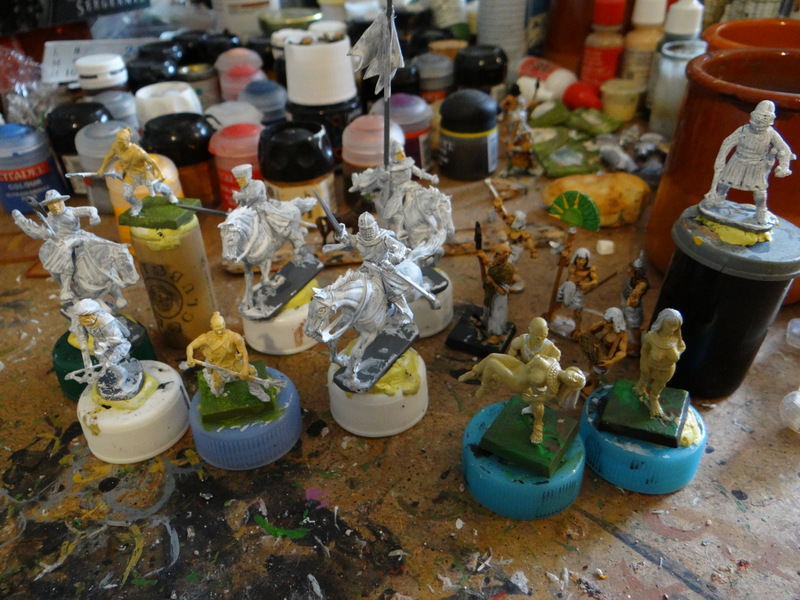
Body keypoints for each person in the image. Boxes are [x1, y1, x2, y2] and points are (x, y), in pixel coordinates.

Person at [458, 352, 585, 444]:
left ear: (568, 386)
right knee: (492, 356)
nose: (572, 379)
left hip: (517, 381)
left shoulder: (553, 387)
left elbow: (540, 399)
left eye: (574, 382)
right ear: (574, 370)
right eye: (576, 376)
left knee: (492, 363)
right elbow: (536, 358)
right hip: (519, 366)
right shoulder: (554, 362)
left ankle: (483, 387)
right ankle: (474, 372)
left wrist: (529, 399)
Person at [703, 100, 795, 225]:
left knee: (760, 192)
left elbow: (784, 149)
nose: (759, 124)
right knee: (724, 183)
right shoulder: (743, 130)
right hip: (738, 161)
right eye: (757, 119)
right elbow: (727, 143)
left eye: (764, 120)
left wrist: (784, 166)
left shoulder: (771, 134)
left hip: (757, 166)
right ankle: (718, 197)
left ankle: (761, 211)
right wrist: (720, 159)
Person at [12, 190, 101, 303]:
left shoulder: (72, 211)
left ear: (62, 201)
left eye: (57, 202)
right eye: (51, 204)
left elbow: (90, 209)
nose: (55, 206)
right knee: (66, 255)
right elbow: (45, 232)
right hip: (63, 241)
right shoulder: (49, 217)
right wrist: (47, 233)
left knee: (100, 244)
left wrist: (94, 216)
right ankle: (66, 288)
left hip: (78, 235)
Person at [186, 312, 272, 402]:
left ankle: (256, 390)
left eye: (221, 328)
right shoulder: (205, 338)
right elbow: (190, 346)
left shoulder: (234, 337)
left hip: (234, 363)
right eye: (216, 329)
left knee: (252, 371)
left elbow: (244, 353)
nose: (219, 332)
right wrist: (189, 357)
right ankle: (210, 378)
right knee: (216, 389)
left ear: (225, 325)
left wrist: (245, 369)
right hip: (218, 367)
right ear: (211, 327)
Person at [231, 163, 310, 259]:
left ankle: (273, 240)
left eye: (240, 179)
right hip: (251, 211)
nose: (238, 181)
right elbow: (242, 204)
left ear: (247, 177)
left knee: (266, 222)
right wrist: (234, 213)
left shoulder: (257, 184)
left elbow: (253, 195)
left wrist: (239, 195)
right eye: (237, 179)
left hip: (263, 208)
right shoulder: (243, 189)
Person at [70, 298, 143, 401]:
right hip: (101, 347)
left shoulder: (106, 321)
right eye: (81, 317)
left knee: (110, 363)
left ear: (94, 313)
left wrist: (103, 346)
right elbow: (82, 335)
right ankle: (118, 366)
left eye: (86, 316)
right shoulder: (81, 320)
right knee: (104, 362)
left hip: (118, 344)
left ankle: (123, 374)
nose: (83, 320)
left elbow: (116, 339)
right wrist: (84, 348)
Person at [98, 127, 178, 216]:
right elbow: (109, 157)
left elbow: (150, 161)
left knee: (157, 188)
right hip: (131, 176)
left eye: (122, 141)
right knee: (127, 195)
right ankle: (137, 204)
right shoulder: (116, 147)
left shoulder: (136, 150)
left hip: (143, 173)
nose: (120, 143)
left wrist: (158, 172)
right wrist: (102, 168)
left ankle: (169, 194)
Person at [635, 308, 686, 418]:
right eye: (670, 325)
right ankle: (640, 388)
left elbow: (682, 347)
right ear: (662, 322)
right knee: (644, 379)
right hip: (651, 366)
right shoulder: (650, 337)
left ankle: (653, 399)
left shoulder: (676, 338)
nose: (673, 329)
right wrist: (643, 364)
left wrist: (677, 353)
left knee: (660, 385)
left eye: (676, 325)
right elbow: (644, 351)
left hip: (668, 369)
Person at [554, 247, 599, 338]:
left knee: (577, 310)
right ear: (576, 258)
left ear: (587, 261)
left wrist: (587, 284)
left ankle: (577, 329)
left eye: (583, 260)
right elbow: (560, 263)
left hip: (577, 290)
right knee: (557, 302)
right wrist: (563, 255)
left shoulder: (590, 269)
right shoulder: (571, 263)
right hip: (566, 286)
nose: (581, 262)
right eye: (579, 259)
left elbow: (595, 281)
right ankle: (551, 316)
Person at [579, 307, 628, 389]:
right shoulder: (604, 325)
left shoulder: (622, 335)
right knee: (590, 366)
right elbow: (589, 332)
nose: (605, 323)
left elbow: (622, 352)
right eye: (605, 320)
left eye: (608, 322)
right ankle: (591, 379)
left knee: (596, 373)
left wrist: (611, 361)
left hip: (606, 357)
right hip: (597, 351)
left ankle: (595, 388)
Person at [479, 243, 515, 341]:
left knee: (496, 314)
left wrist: (492, 283)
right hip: (490, 293)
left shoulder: (507, 270)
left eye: (497, 254)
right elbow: (490, 264)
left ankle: (496, 334)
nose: (494, 256)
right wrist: (483, 257)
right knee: (487, 308)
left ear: (504, 256)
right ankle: (486, 323)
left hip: (498, 297)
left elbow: (503, 291)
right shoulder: (496, 264)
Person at [621, 252, 649, 356]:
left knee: (634, 327)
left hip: (633, 309)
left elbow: (637, 292)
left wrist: (633, 296)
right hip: (626, 305)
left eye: (631, 269)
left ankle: (637, 347)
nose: (628, 271)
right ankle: (630, 341)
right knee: (627, 324)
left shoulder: (641, 284)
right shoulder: (633, 279)